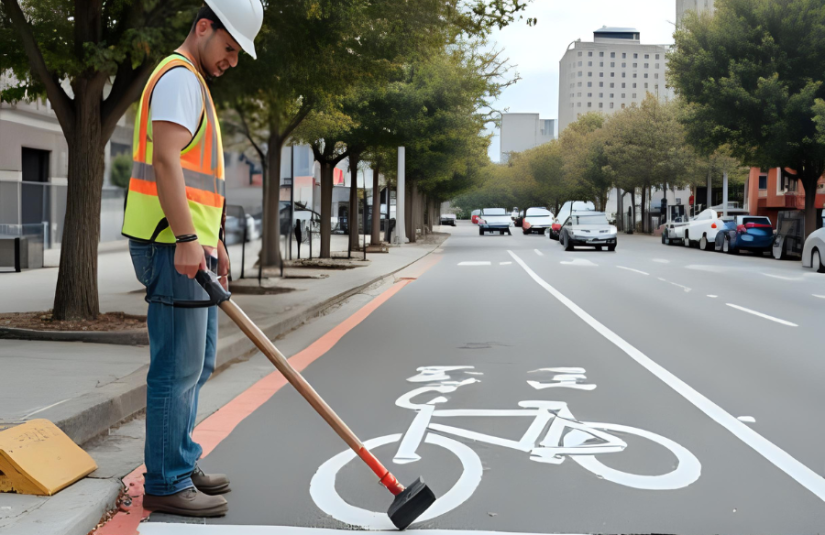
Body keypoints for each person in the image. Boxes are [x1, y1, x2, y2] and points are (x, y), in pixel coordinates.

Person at [121, 0, 263, 517]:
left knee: (196, 363)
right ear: (204, 27)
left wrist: (212, 238)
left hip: (187, 244)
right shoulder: (179, 78)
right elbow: (165, 161)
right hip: (168, 243)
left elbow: (195, 177)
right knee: (176, 367)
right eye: (229, 47)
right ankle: (165, 479)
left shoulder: (193, 82)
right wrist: (185, 238)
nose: (233, 60)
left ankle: (179, 457)